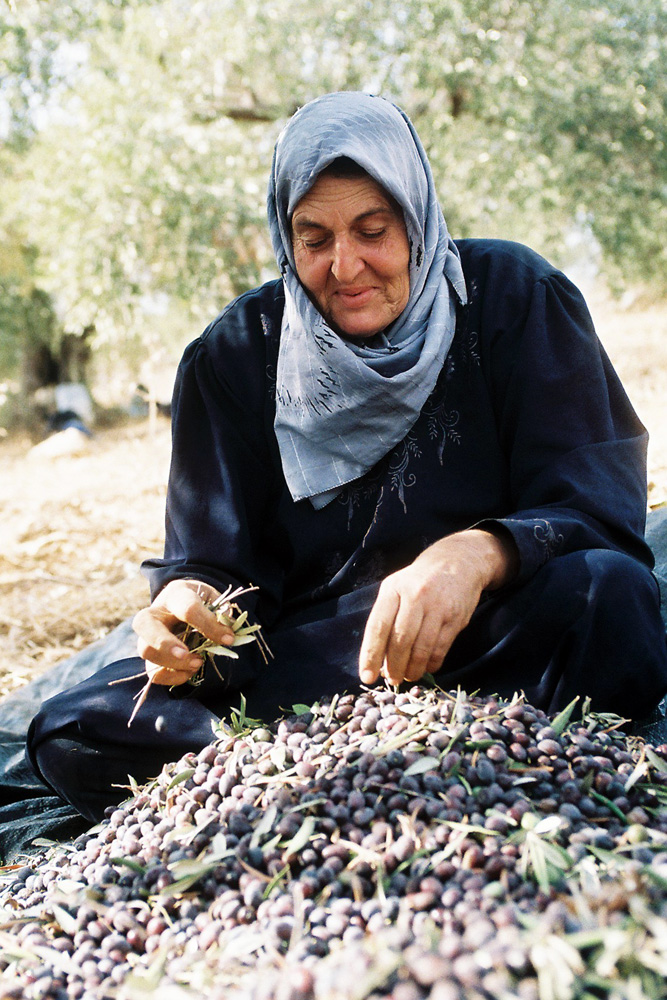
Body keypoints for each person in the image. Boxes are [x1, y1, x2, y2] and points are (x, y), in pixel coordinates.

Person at [27, 92, 667, 824]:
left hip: (490, 629)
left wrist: (474, 555)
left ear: (417, 218)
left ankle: (311, 768)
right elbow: (214, 566)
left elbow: (596, 507)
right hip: (317, 666)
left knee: (610, 598)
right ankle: (317, 767)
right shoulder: (231, 358)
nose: (344, 266)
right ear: (284, 235)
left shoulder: (517, 297)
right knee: (72, 726)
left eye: (372, 229)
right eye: (313, 237)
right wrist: (185, 607)